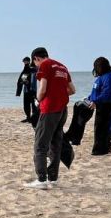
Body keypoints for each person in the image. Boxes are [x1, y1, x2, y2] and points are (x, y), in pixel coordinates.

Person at [26, 47, 75, 190]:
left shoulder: (45, 65)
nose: (35, 66)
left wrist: (38, 100)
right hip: (62, 110)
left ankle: (41, 179)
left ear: (36, 58)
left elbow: (42, 89)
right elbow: (72, 90)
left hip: (49, 110)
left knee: (40, 145)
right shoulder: (62, 67)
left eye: (35, 63)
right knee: (55, 144)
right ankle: (53, 178)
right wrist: (58, 93)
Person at [88, 57, 111, 156]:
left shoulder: (109, 77)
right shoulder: (101, 77)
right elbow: (96, 91)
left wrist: (95, 101)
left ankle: (100, 150)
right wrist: (89, 98)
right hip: (101, 104)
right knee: (101, 127)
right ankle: (104, 149)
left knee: (101, 127)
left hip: (105, 105)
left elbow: (107, 93)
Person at [16, 56, 39, 125]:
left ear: (29, 61)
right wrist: (24, 82)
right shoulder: (26, 69)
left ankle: (34, 118)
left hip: (33, 90)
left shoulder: (34, 69)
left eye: (25, 61)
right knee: (26, 105)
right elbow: (22, 79)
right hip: (26, 90)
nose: (24, 63)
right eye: (24, 62)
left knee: (34, 105)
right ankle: (28, 117)